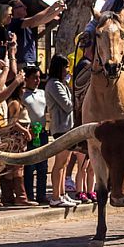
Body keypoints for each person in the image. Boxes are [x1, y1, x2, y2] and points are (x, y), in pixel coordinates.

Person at [45, 54, 79, 207]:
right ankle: (56, 196)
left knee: (64, 164)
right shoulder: (54, 84)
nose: (67, 70)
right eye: (65, 67)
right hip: (61, 128)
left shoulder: (61, 83)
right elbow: (67, 105)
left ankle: (63, 194)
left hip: (68, 127)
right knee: (59, 164)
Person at [8, 0, 65, 66]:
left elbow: (43, 20)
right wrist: (53, 7)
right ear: (14, 10)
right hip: (22, 61)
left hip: (29, 61)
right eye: (21, 6)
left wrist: (58, 10)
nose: (25, 7)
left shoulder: (25, 23)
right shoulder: (15, 22)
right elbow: (35, 19)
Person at [21, 66, 48, 204]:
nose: (37, 80)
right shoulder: (22, 95)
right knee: (30, 166)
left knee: (43, 166)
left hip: (42, 133)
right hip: (30, 134)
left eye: (39, 77)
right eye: (34, 77)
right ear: (26, 79)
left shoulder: (42, 93)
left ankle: (41, 194)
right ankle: (29, 194)